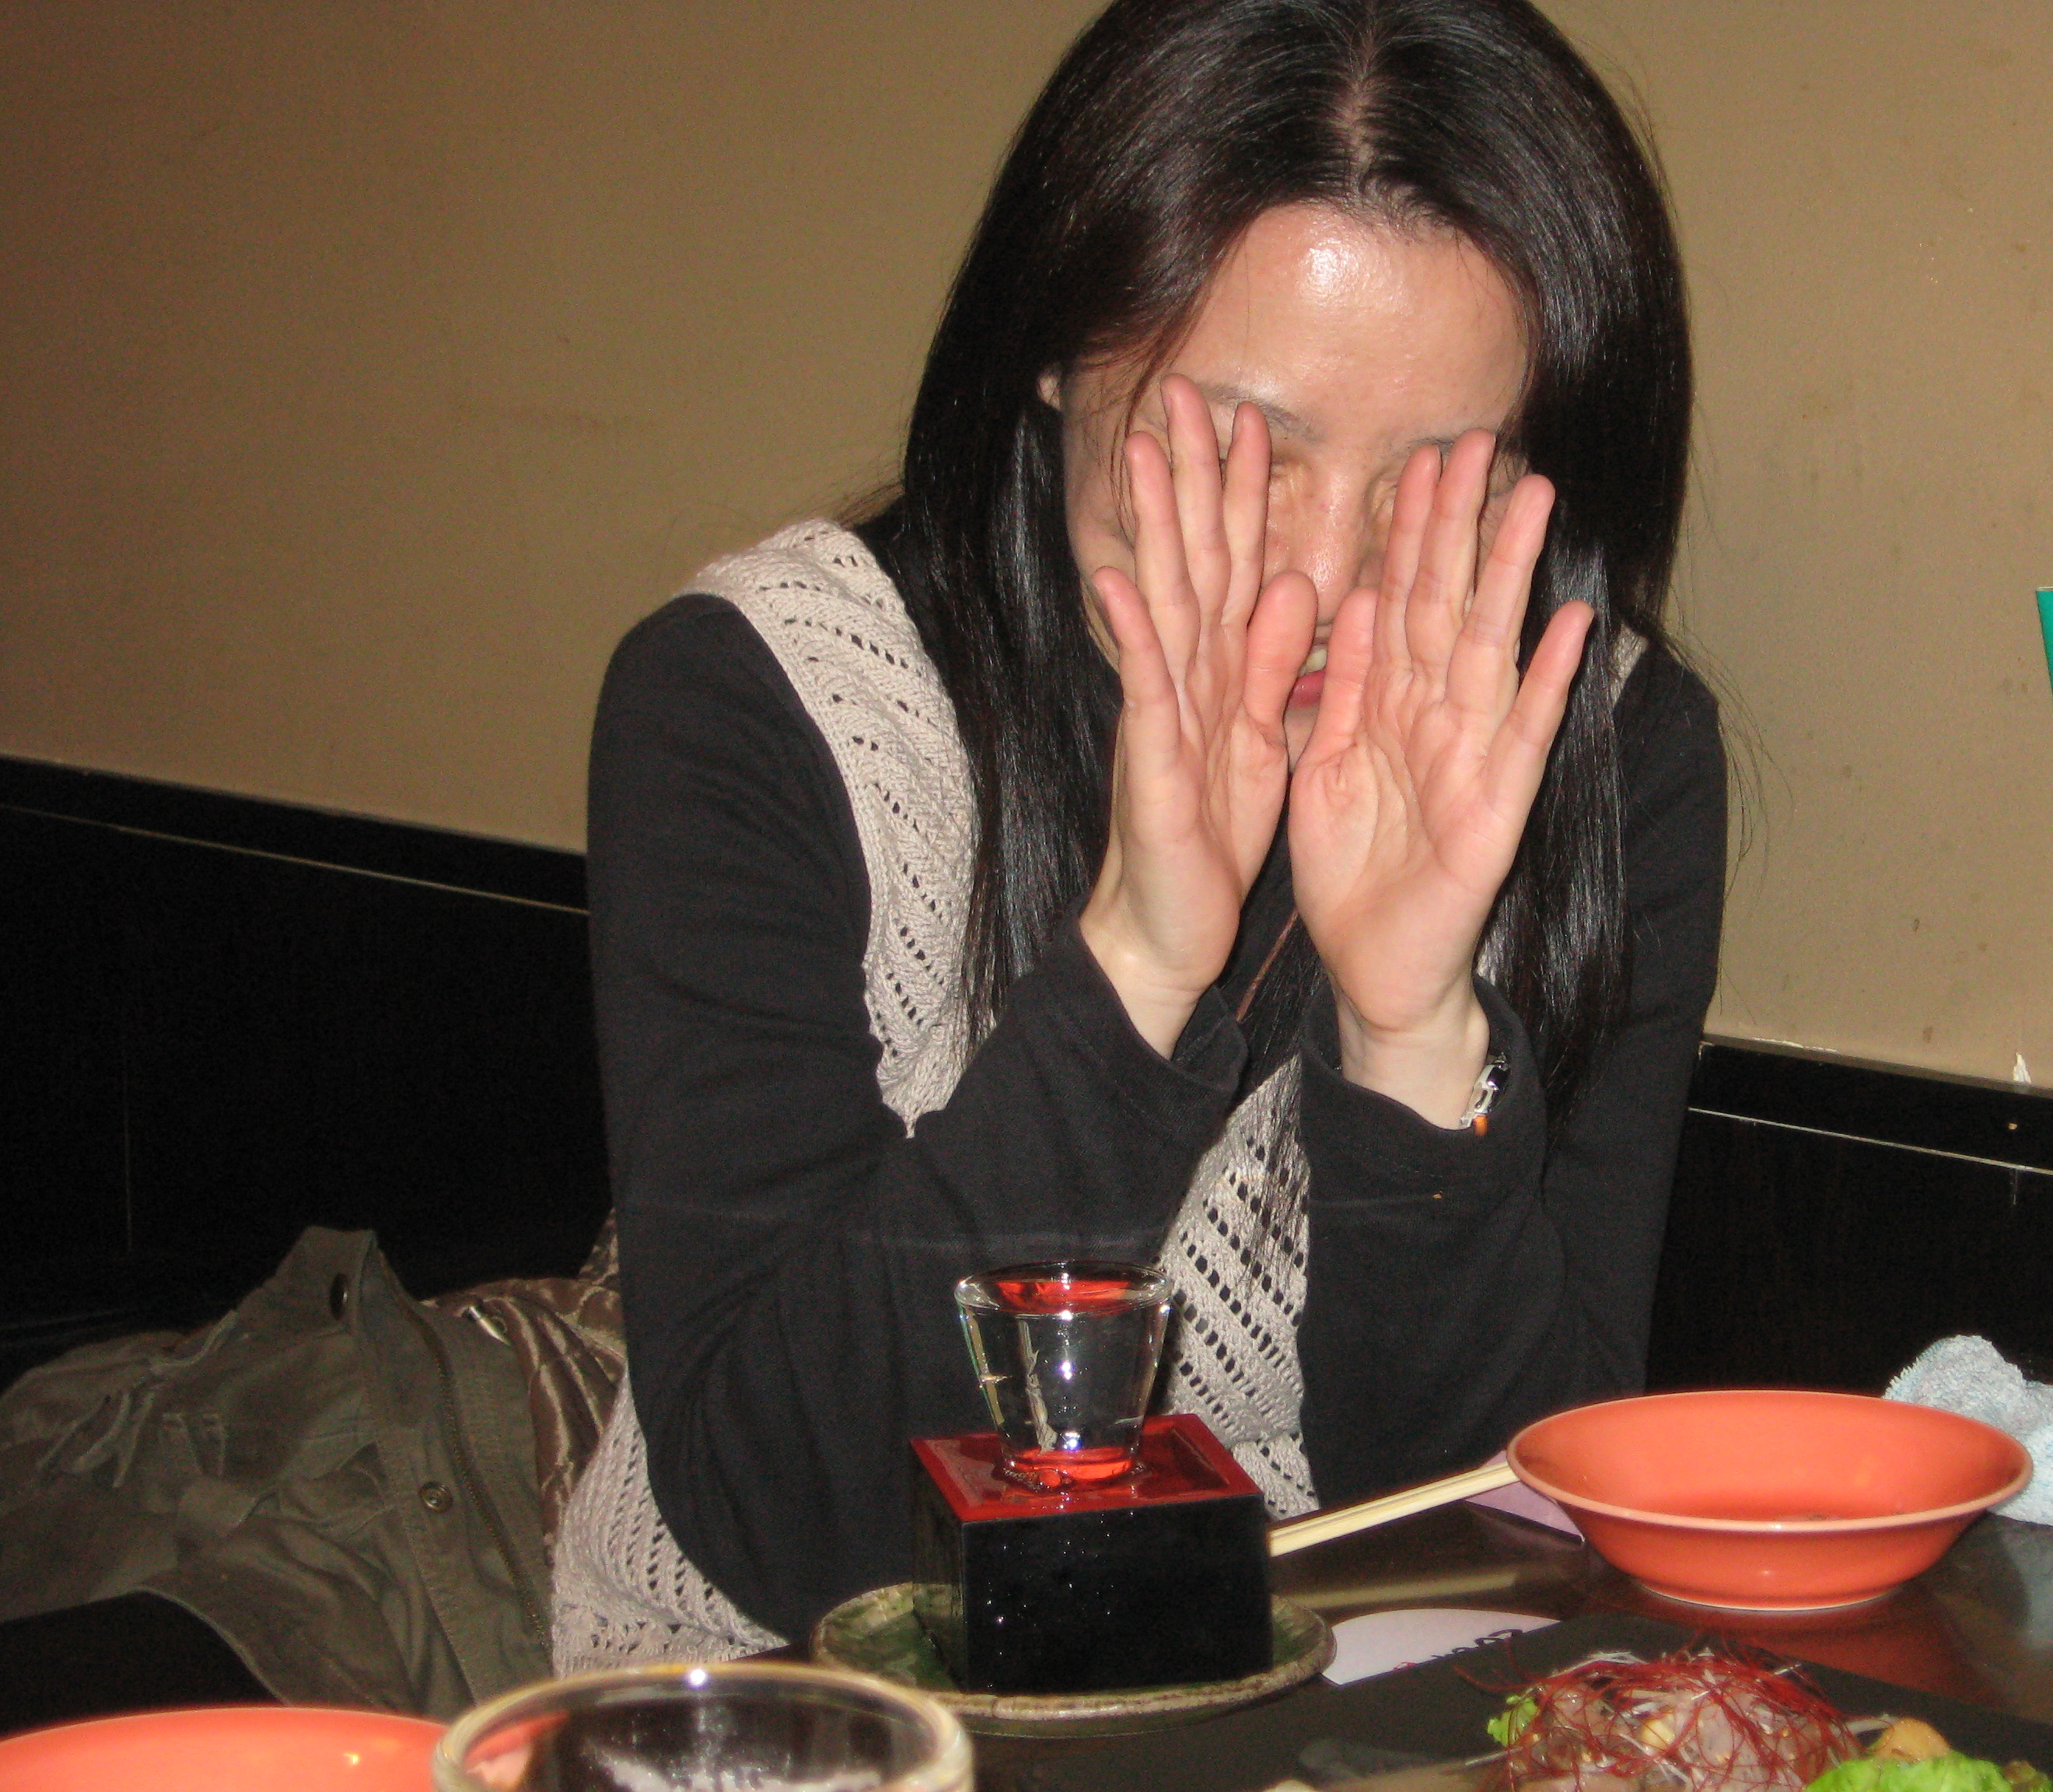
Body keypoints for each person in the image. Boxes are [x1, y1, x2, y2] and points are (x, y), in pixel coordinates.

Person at [549, 0, 1726, 1668]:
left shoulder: (1597, 750)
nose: (1324, 577)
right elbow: (787, 1524)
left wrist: (1412, 1039)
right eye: (1247, 445)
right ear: (1055, 345)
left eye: (1441, 476)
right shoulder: (766, 700)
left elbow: (1513, 1542)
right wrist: (1134, 970)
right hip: (808, 1710)